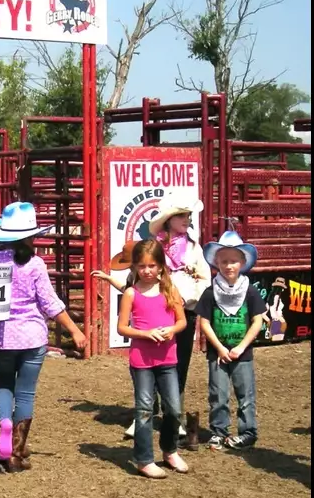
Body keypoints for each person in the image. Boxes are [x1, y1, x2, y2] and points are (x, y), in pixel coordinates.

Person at [0, 202, 86, 471]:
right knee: (26, 394)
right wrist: (74, 329)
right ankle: (17, 451)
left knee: (4, 386)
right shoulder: (35, 264)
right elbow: (50, 303)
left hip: (4, 336)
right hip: (33, 336)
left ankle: (4, 423)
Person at [114, 239, 190, 479]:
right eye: (142, 266)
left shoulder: (170, 290)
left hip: (168, 358)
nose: (147, 271)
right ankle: (144, 459)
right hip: (142, 361)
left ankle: (169, 450)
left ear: (161, 266)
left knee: (174, 409)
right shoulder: (131, 293)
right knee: (145, 409)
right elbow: (122, 328)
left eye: (152, 266)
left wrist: (172, 330)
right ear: (135, 267)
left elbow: (182, 321)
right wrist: (145, 333)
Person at [143, 192, 210, 440]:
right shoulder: (155, 249)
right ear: (168, 219)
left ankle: (175, 415)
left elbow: (204, 278)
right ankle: (150, 410)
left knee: (179, 364)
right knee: (155, 361)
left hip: (186, 314)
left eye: (188, 216)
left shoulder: (194, 248)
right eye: (181, 215)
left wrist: (192, 298)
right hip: (158, 312)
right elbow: (145, 277)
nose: (187, 219)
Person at [195, 231, 266, 451]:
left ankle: (248, 432)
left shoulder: (251, 292)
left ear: (242, 262)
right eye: (224, 261)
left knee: (246, 394)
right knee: (218, 394)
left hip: (242, 354)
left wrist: (241, 347)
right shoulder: (210, 293)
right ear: (216, 262)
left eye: (234, 261)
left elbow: (257, 321)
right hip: (218, 354)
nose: (229, 266)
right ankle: (219, 431)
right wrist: (219, 348)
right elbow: (205, 323)